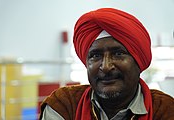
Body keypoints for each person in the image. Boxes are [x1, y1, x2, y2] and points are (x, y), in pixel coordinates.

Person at [39, 8, 174, 120]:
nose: (106, 66)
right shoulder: (65, 105)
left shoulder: (165, 109)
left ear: (138, 60)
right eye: (96, 56)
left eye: (118, 53)